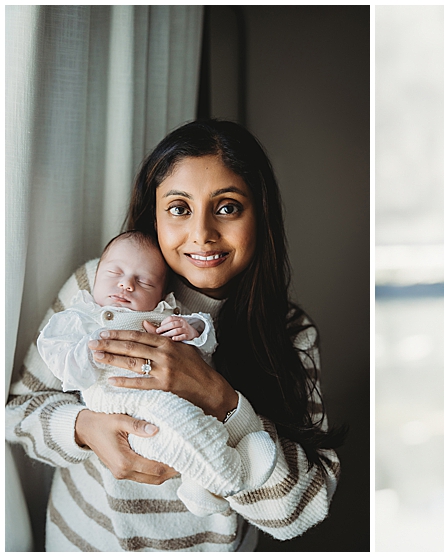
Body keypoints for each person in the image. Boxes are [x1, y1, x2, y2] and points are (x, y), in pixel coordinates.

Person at [6, 120, 344, 551]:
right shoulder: (102, 288)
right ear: (154, 216)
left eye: (227, 207)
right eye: (179, 208)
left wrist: (216, 396)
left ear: (260, 214)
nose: (202, 233)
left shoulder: (290, 333)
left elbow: (305, 504)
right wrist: (85, 428)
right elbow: (18, 411)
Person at [35, 230, 275, 518]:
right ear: (95, 278)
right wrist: (82, 425)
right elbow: (55, 363)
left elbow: (206, 346)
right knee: (178, 430)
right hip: (121, 403)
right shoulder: (82, 316)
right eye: (114, 273)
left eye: (144, 282)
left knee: (192, 428)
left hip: (173, 401)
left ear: (161, 295)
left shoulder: (161, 315)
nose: (126, 284)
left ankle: (202, 484)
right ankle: (228, 475)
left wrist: (193, 331)